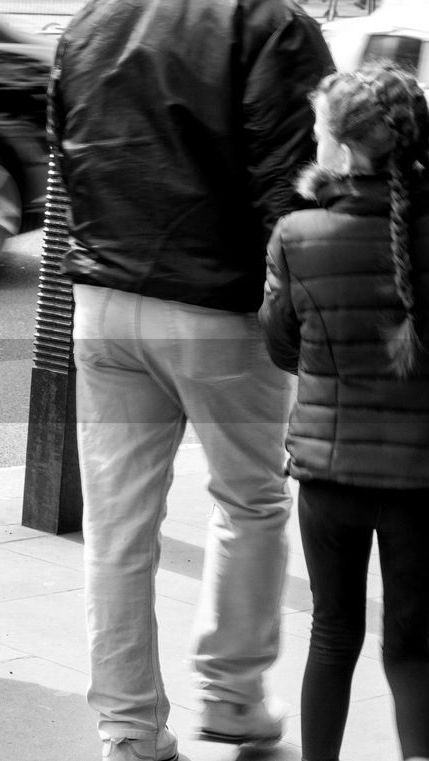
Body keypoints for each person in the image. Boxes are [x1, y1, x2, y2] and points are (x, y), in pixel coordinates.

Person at [46, 1, 334, 758]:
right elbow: (296, 183)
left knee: (116, 530)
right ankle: (234, 696)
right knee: (251, 499)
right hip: (221, 305)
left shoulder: (91, 21)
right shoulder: (271, 23)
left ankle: (129, 730)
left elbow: (67, 155)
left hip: (104, 297)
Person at [259, 61, 429, 761]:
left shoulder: (297, 234)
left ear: (342, 145)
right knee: (415, 642)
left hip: (328, 476)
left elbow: (281, 347)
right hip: (421, 481)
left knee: (332, 635)